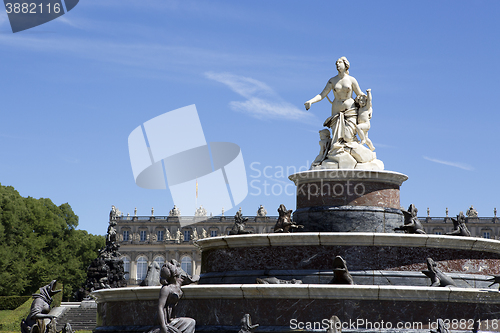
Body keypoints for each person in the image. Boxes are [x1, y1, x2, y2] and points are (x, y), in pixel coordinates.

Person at [304, 56, 365, 145]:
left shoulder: (351, 80)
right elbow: (322, 95)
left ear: (345, 65)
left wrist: (369, 103)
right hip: (336, 109)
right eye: (336, 63)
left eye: (339, 63)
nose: (337, 65)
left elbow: (360, 94)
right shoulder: (332, 80)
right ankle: (336, 154)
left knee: (348, 137)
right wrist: (311, 101)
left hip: (350, 109)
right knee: (336, 139)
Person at [155, 260, 197, 333]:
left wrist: (194, 278)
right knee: (190, 322)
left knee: (191, 322)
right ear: (172, 272)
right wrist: (163, 326)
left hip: (173, 319)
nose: (176, 267)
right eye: (173, 266)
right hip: (166, 320)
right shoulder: (166, 289)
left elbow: (194, 278)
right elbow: (160, 307)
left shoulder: (178, 283)